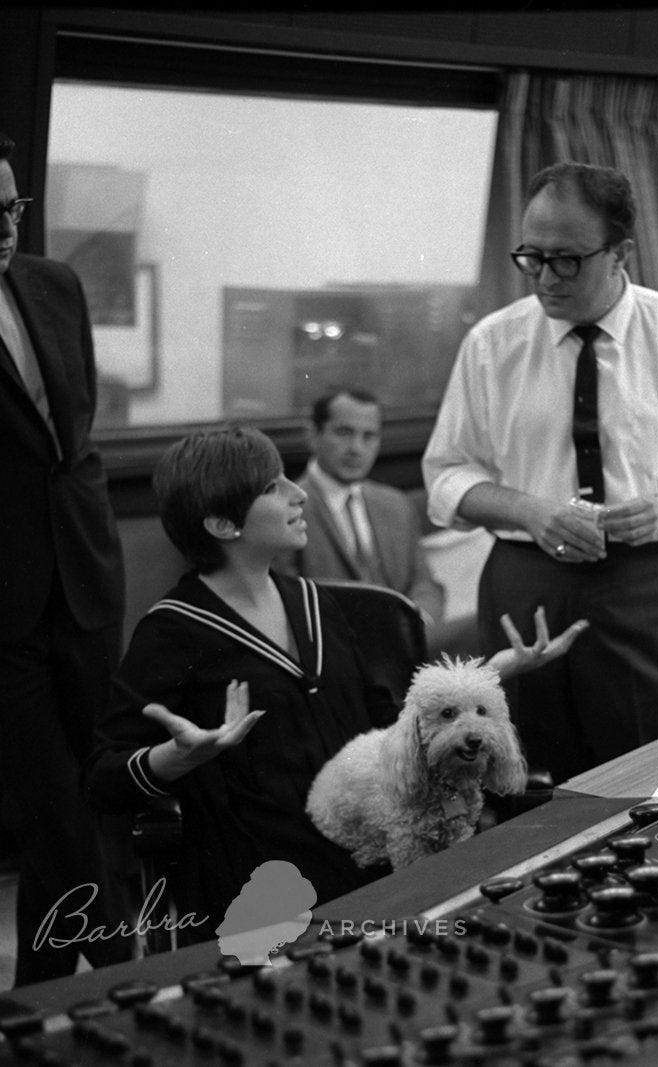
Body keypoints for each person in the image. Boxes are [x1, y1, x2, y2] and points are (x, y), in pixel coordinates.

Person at [84, 427, 587, 943]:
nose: (298, 493)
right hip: (260, 875)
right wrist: (178, 756)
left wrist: (490, 674)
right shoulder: (173, 629)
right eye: (271, 487)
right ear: (221, 522)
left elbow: (389, 724)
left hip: (368, 845)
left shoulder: (313, 602)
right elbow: (104, 778)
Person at [423, 160, 658, 786]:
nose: (546, 277)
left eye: (567, 259)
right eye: (533, 256)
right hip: (524, 581)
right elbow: (445, 475)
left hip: (642, 580)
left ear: (621, 252)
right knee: (519, 772)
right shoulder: (493, 344)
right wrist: (528, 510)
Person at [0, 132, 130, 984]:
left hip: (82, 576)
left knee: (88, 786)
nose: (4, 228)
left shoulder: (55, 282)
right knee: (53, 803)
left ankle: (37, 999)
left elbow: (70, 438)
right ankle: (140, 969)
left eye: (11, 207)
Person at [277, 389, 445, 629]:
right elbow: (285, 599)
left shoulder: (396, 504)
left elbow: (424, 583)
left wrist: (417, 624)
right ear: (313, 435)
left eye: (369, 436)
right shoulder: (287, 508)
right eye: (344, 433)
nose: (357, 448)